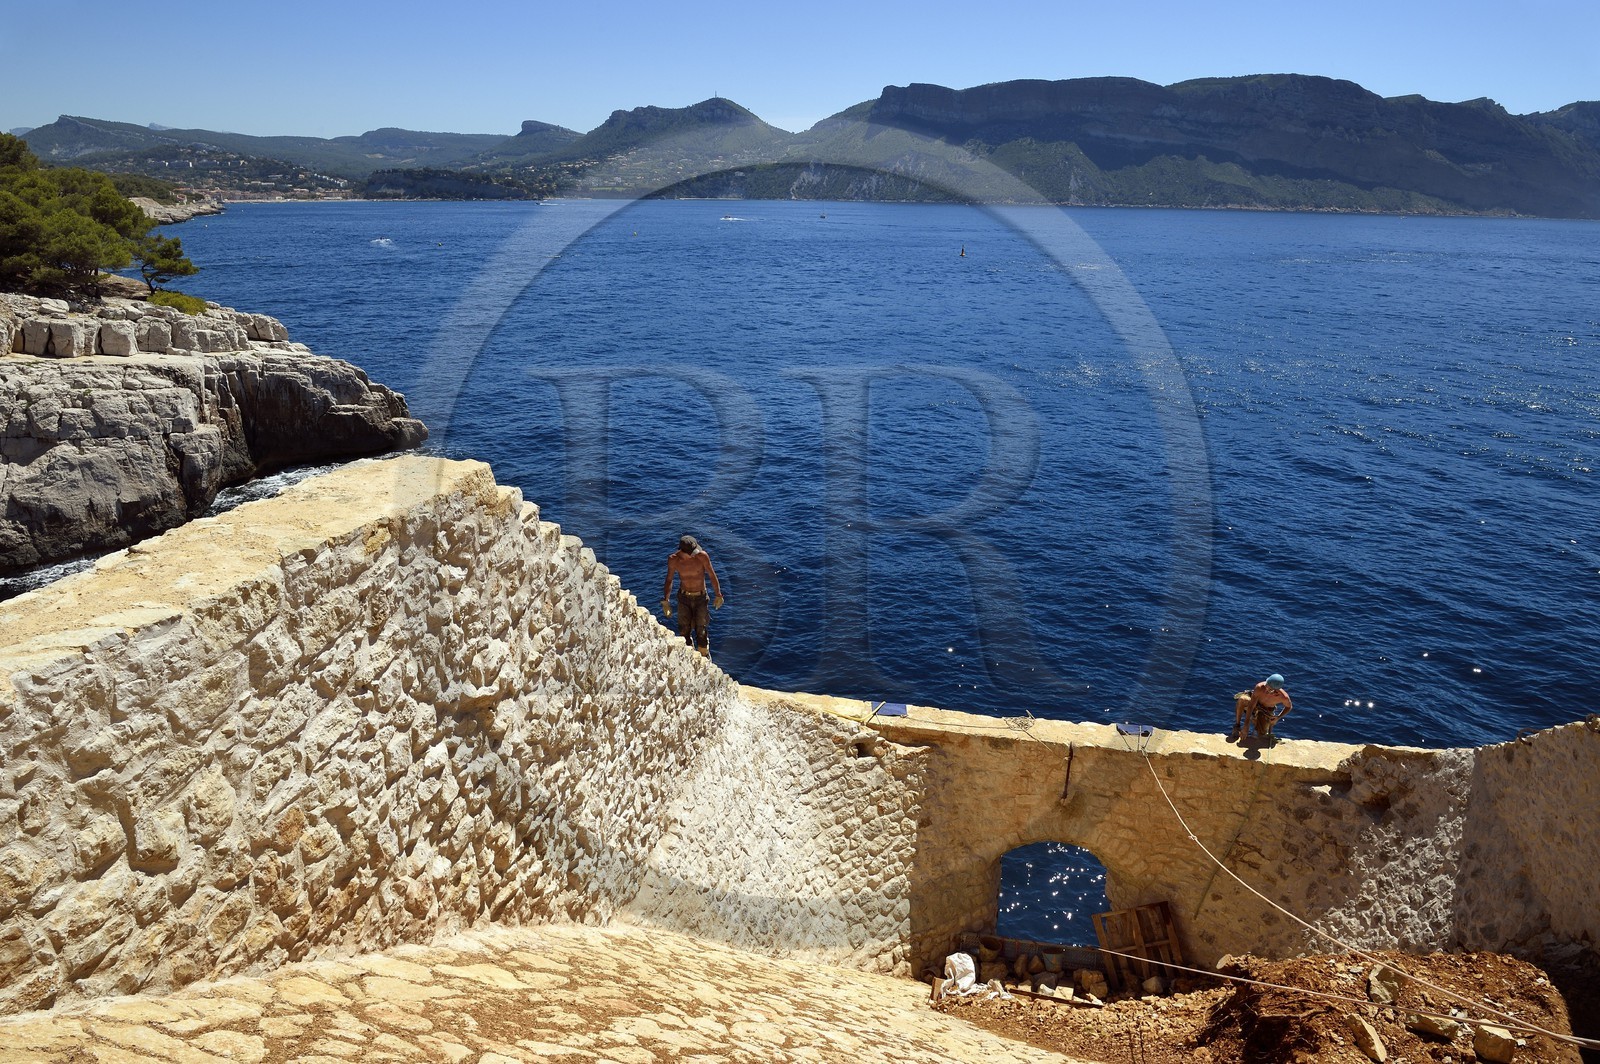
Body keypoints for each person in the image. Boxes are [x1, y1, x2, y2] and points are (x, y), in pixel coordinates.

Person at [662, 535, 723, 657]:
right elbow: (669, 579)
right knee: (684, 629)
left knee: (701, 630)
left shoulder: (702, 556)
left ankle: (704, 658)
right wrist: (666, 601)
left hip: (701, 597)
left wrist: (718, 595)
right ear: (683, 551)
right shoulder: (674, 560)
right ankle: (689, 657)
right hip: (684, 598)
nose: (695, 553)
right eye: (692, 552)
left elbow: (712, 575)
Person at [1231, 673, 1292, 742]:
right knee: (1243, 699)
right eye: (1266, 685)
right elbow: (1251, 705)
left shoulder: (1284, 697)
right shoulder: (1260, 687)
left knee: (1261, 734)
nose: (1266, 689)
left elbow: (1288, 707)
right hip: (1255, 704)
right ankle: (1237, 726)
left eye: (1269, 689)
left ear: (1276, 691)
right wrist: (1246, 725)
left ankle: (1258, 725)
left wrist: (1278, 717)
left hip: (1266, 711)